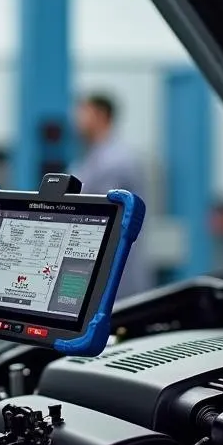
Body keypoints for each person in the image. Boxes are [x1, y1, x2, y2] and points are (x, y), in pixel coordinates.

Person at [71, 93, 152, 298]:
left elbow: (104, 216)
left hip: (114, 267)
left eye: (83, 113)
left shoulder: (116, 161)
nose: (76, 120)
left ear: (100, 115)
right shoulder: (94, 157)